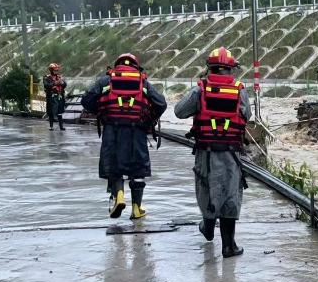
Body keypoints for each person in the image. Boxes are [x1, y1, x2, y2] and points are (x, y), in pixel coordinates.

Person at [174, 47, 251, 258]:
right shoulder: (239, 89)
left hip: (205, 153)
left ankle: (208, 227)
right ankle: (229, 246)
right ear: (230, 69)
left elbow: (179, 111)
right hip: (231, 153)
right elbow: (247, 115)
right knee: (230, 194)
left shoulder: (200, 89)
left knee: (206, 188)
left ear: (209, 68)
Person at [81, 53, 166, 220]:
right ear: (136, 66)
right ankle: (136, 208)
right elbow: (161, 103)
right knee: (138, 169)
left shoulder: (106, 81)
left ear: (117, 65)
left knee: (114, 166)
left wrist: (101, 111)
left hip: (112, 129)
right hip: (137, 131)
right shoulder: (143, 82)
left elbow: (86, 100)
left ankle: (119, 196)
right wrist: (149, 117)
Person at [43, 62, 67, 131]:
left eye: (57, 70)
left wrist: (62, 83)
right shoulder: (46, 77)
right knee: (51, 111)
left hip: (59, 96)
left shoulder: (59, 77)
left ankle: (61, 126)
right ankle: (51, 126)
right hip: (51, 97)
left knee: (60, 111)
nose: (56, 71)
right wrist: (56, 83)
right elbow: (46, 85)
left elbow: (64, 84)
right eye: (55, 70)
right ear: (51, 70)